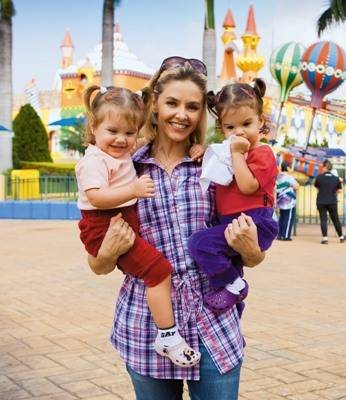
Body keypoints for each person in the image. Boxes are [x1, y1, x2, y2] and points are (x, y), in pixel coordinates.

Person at [87, 56, 265, 400]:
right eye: (172, 103)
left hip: (213, 318)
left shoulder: (217, 167)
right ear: (154, 103)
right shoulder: (123, 169)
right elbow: (98, 264)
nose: (181, 114)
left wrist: (250, 248)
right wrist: (107, 251)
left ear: (202, 113)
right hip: (146, 323)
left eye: (192, 106)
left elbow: (254, 257)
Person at [76, 85, 202, 368]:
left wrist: (198, 146)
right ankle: (168, 336)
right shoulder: (95, 161)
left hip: (120, 222)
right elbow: (96, 198)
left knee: (155, 269)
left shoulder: (122, 154)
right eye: (113, 131)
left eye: (129, 133)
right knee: (158, 269)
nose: (122, 140)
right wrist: (133, 190)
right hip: (106, 225)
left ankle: (168, 334)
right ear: (94, 127)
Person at [187, 79, 278, 315]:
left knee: (200, 244)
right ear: (221, 128)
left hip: (253, 222)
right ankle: (235, 313)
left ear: (261, 121)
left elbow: (248, 186)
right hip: (229, 222)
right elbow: (216, 170)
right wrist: (203, 152)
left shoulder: (263, 153)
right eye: (230, 127)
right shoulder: (226, 152)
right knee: (232, 266)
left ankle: (236, 286)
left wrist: (237, 153)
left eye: (247, 123)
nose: (239, 132)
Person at [314, 159, 346, 244]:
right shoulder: (336, 179)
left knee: (323, 219)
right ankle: (341, 237)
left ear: (325, 167)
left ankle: (325, 238)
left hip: (321, 201)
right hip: (332, 201)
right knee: (335, 219)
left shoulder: (319, 177)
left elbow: (317, 187)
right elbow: (339, 191)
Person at [276, 161, 299, 241]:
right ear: (288, 168)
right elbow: (297, 186)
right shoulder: (289, 177)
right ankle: (285, 236)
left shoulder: (278, 176)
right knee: (288, 218)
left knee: (282, 217)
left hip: (280, 200)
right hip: (289, 201)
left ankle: (279, 234)